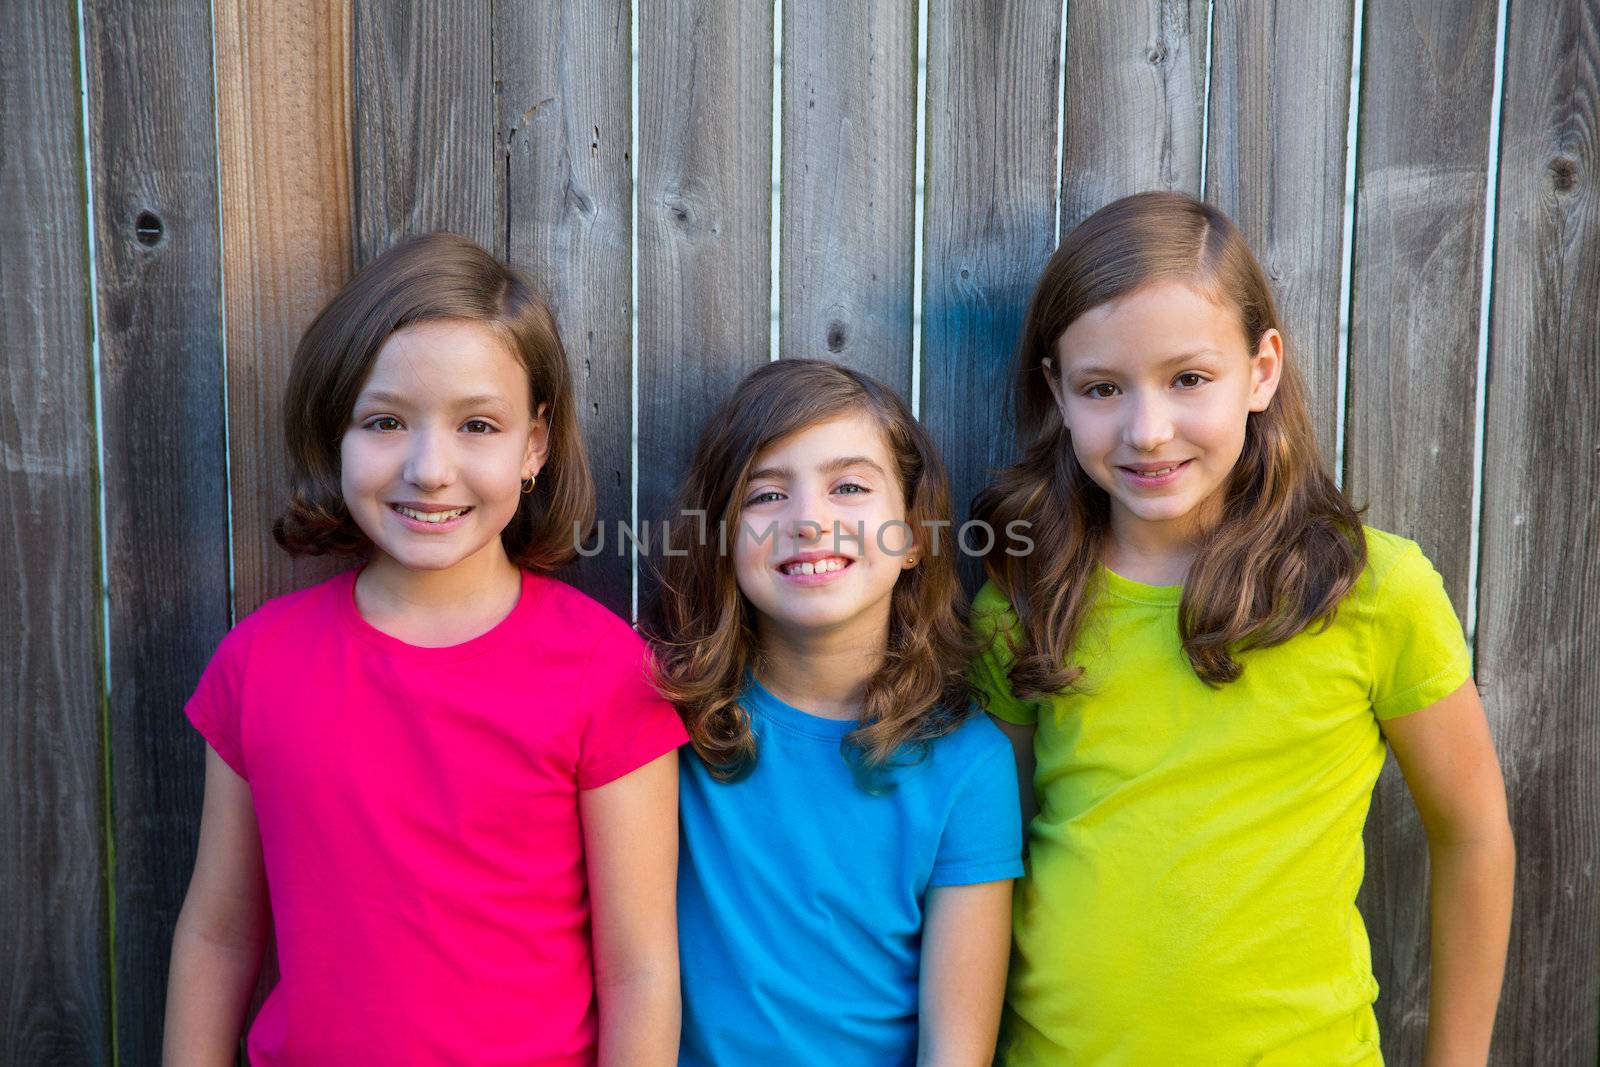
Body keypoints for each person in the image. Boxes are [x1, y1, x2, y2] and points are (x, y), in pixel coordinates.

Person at [971, 191, 1515, 1065]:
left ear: (1261, 370)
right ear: (1058, 395)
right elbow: (985, 858)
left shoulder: (1370, 592)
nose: (1148, 431)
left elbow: (1474, 832)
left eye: (1189, 379)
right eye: (1103, 388)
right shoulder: (1028, 601)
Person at [164, 233, 686, 1066]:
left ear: (534, 447)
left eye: (477, 424)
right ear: (336, 432)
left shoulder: (605, 672)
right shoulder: (257, 662)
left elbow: (640, 970)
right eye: (385, 421)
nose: (428, 467)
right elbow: (219, 933)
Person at [645, 359, 1023, 1066]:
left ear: (912, 533)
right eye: (765, 495)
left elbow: (956, 1050)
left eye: (848, 486)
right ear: (723, 537)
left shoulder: (970, 765)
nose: (809, 520)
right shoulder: (668, 725)